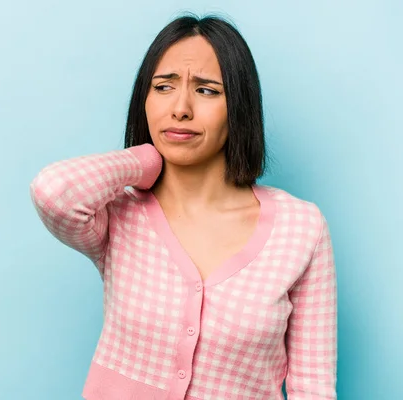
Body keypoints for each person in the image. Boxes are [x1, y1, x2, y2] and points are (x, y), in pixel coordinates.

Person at [29, 13, 337, 400]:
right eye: (163, 87)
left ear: (238, 107)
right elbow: (53, 191)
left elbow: (314, 387)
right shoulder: (119, 216)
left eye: (207, 90)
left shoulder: (301, 228)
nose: (180, 109)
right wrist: (143, 160)